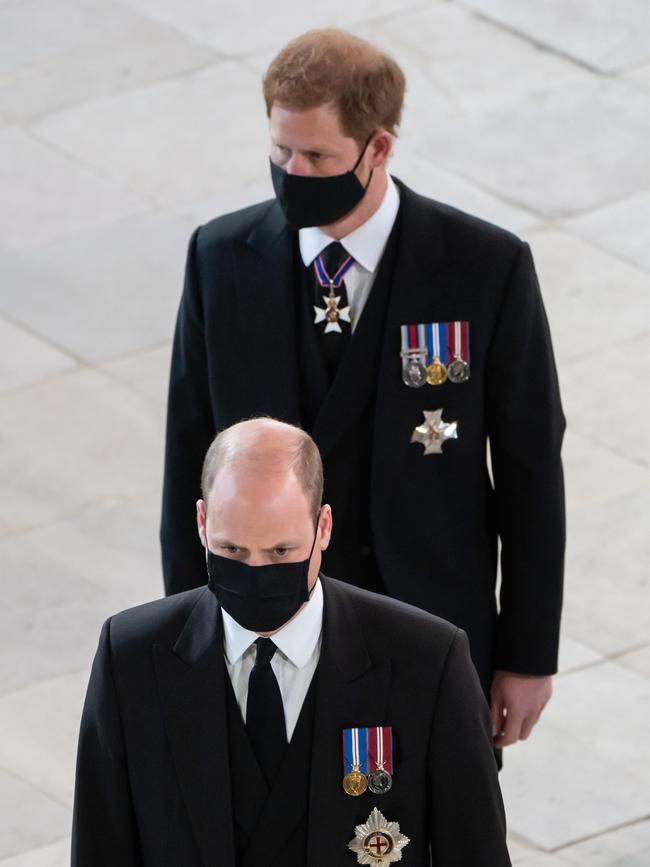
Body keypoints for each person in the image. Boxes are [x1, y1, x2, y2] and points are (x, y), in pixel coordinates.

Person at [161, 28, 565, 752]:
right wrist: (187, 639)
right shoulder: (221, 261)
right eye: (280, 151)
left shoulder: (485, 268)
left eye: (317, 156)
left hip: (431, 634)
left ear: (377, 149)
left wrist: (528, 654)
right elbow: (188, 460)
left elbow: (532, 471)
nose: (292, 171)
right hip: (265, 636)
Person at [73, 418, 511, 866]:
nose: (256, 573)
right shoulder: (129, 658)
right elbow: (100, 846)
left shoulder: (428, 661)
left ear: (323, 527)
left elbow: (476, 853)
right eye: (233, 551)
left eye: (281, 552)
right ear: (202, 523)